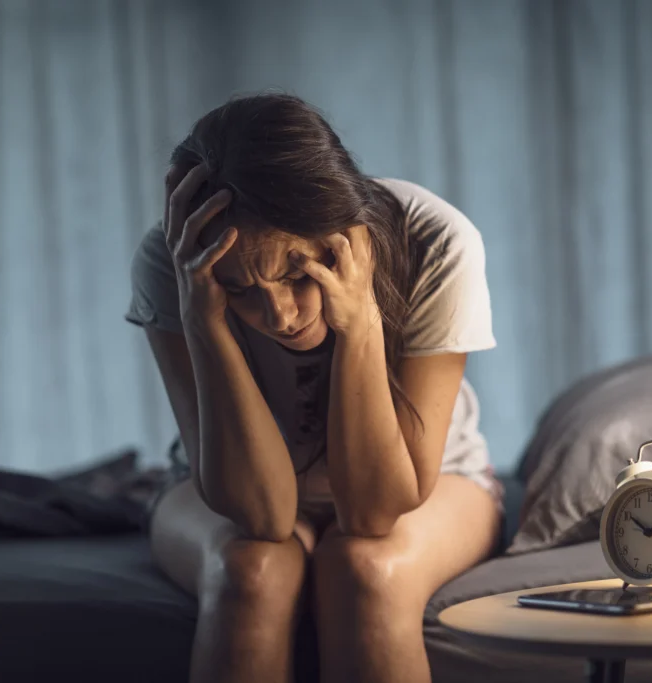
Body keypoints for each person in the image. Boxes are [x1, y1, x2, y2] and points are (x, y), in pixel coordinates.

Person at [125, 93, 502, 683]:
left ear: (345, 231)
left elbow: (374, 514)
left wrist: (360, 322)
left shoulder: (436, 241)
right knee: (249, 570)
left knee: (367, 568)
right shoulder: (171, 261)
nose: (278, 316)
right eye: (240, 291)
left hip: (437, 481)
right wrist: (203, 317)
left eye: (298, 274)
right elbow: (263, 518)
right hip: (220, 486)